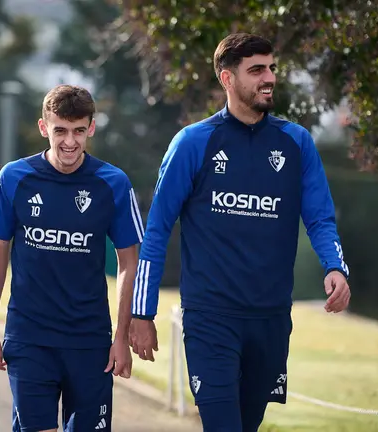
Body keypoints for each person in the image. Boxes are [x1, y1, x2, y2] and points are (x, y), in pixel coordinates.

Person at [128, 33, 352, 431]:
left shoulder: (297, 142)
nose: (268, 78)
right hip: (210, 317)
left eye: (271, 68)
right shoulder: (193, 143)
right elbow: (158, 229)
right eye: (256, 70)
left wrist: (335, 266)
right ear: (227, 79)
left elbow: (319, 217)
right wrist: (141, 312)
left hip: (270, 319)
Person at [0, 84, 144, 432]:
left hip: (90, 342)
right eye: (60, 131)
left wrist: (121, 338)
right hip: (29, 338)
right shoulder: (15, 177)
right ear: (44, 128)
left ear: (91, 128)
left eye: (78, 131)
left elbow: (130, 263)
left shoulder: (113, 183)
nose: (70, 141)